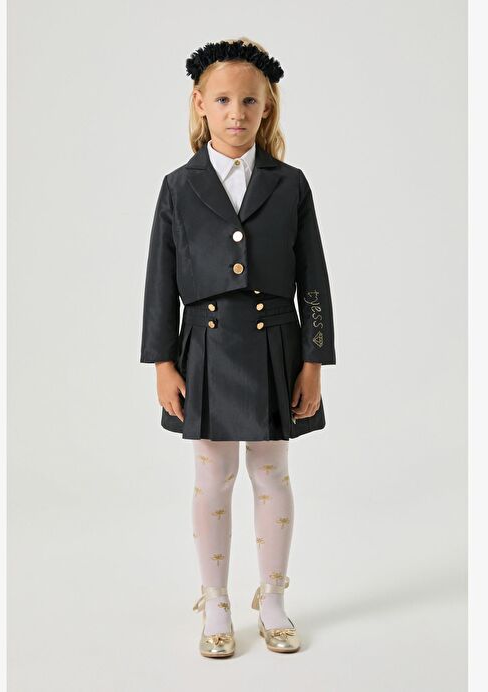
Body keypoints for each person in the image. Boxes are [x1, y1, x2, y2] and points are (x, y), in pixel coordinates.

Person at [140, 37, 336, 658]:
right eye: (223, 100)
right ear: (200, 103)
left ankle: (273, 598)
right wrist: (163, 362)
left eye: (249, 101)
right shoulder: (178, 187)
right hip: (203, 349)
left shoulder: (291, 184)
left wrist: (314, 362)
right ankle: (217, 601)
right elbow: (159, 282)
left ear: (266, 106)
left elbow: (314, 281)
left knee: (272, 473)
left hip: (276, 346)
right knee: (212, 475)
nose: (236, 112)